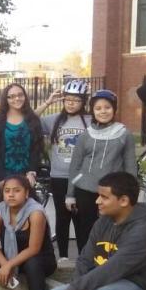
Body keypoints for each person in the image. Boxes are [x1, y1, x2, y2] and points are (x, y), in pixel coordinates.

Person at [26, 172, 146, 290]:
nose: (97, 201)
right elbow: (85, 260)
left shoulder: (143, 229)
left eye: (104, 197)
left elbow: (113, 268)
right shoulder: (103, 221)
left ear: (123, 200)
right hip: (105, 282)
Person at [66, 89, 137, 252]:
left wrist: (132, 194)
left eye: (107, 107)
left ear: (114, 109)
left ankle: (107, 264)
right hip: (85, 190)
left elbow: (130, 166)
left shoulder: (124, 134)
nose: (103, 111)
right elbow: (75, 166)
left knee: (112, 229)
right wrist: (70, 194)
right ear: (93, 111)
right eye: (98, 108)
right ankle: (85, 265)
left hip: (113, 192)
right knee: (86, 229)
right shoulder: (86, 135)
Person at [0, 174, 56, 290]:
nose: (11, 195)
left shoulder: (36, 213)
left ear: (26, 193)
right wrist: (4, 263)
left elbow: (34, 249)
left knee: (32, 263)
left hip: (39, 259)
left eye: (16, 190)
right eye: (7, 191)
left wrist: (8, 265)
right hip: (10, 256)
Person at [34, 79, 91, 260]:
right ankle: (64, 256)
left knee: (81, 219)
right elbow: (29, 119)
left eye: (76, 100)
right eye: (67, 99)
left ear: (83, 102)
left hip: (82, 177)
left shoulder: (90, 121)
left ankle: (83, 256)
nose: (71, 103)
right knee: (62, 217)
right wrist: (48, 102)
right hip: (58, 176)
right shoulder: (53, 120)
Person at [0, 83, 44, 204]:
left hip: (25, 177)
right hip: (2, 177)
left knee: (27, 216)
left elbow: (37, 148)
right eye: (11, 96)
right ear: (5, 99)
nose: (16, 99)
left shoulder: (33, 120)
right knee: (5, 218)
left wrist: (32, 172)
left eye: (20, 95)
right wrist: (2, 178)